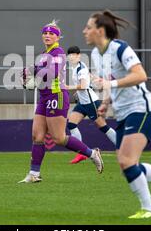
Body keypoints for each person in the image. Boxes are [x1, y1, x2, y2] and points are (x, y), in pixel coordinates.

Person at [85, 10, 151, 219]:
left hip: (141, 110)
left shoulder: (120, 48)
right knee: (127, 164)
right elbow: (112, 81)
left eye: (88, 27)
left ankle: (149, 209)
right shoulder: (96, 54)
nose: (84, 31)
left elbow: (141, 75)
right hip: (123, 113)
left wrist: (109, 85)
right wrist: (106, 102)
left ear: (100, 30)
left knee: (127, 161)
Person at [18, 21, 104, 183]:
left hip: (56, 96)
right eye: (45, 33)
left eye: (51, 33)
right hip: (44, 97)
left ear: (57, 36)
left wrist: (31, 70)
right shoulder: (45, 53)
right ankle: (34, 174)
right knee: (37, 135)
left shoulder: (58, 53)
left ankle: (92, 153)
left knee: (58, 138)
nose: (48, 35)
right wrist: (29, 76)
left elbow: (53, 72)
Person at [66, 45, 116, 164]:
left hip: (91, 103)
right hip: (83, 103)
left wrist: (69, 87)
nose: (71, 57)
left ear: (79, 56)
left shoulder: (81, 69)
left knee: (103, 127)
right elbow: (88, 80)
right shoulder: (77, 68)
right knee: (71, 125)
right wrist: (78, 92)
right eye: (70, 55)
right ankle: (82, 153)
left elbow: (83, 86)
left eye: (74, 55)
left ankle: (122, 146)